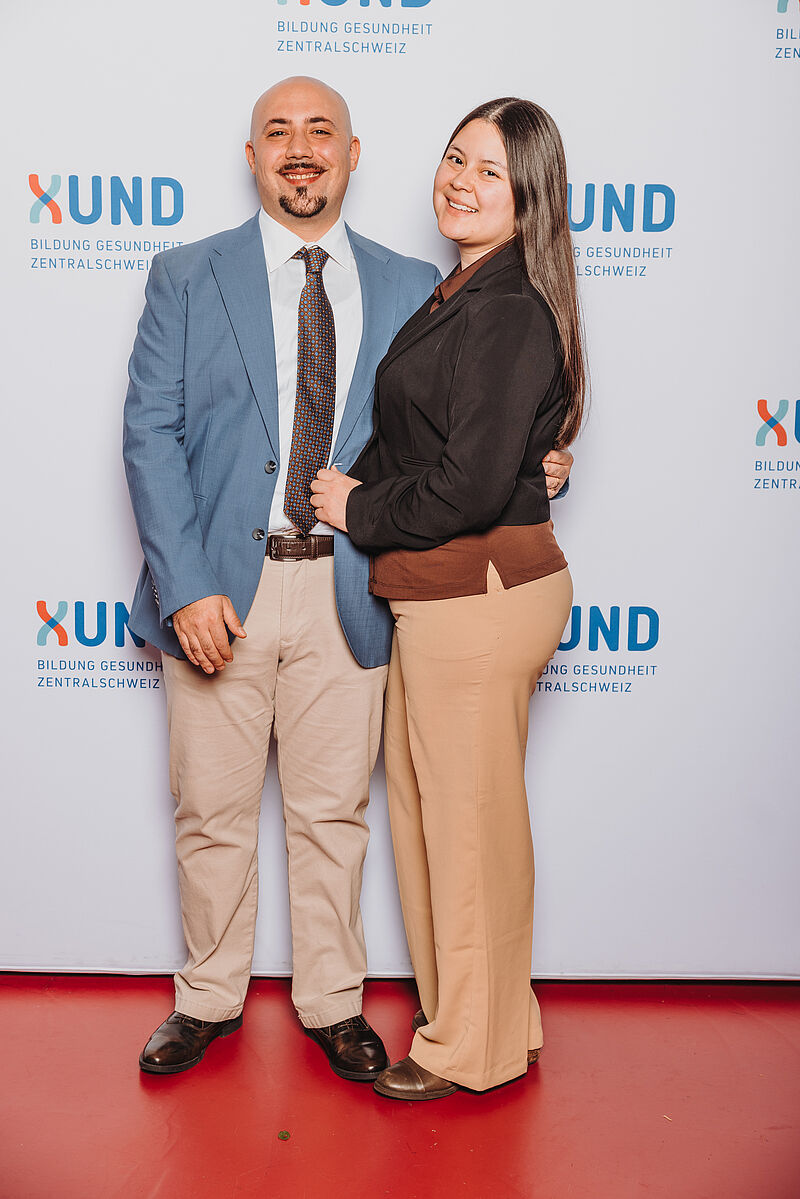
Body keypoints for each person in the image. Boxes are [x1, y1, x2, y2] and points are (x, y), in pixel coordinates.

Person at [124, 77, 574, 1081]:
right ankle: (207, 995)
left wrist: (535, 460)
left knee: (335, 813)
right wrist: (184, 584)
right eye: (277, 131)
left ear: (352, 152)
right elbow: (149, 432)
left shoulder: (419, 281)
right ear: (251, 155)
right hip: (221, 587)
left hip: (356, 585)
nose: (300, 146)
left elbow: (470, 419)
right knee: (210, 811)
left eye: (320, 129)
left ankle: (332, 1000)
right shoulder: (186, 274)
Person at [311, 97, 584, 1099]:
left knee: (467, 831)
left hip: (479, 597)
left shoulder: (506, 306)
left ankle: (470, 1047)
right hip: (440, 597)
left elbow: (465, 486)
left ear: (529, 198)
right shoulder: (460, 292)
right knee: (446, 823)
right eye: (455, 157)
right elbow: (457, 447)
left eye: (490, 171)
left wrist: (355, 505)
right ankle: (489, 1016)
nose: (460, 181)